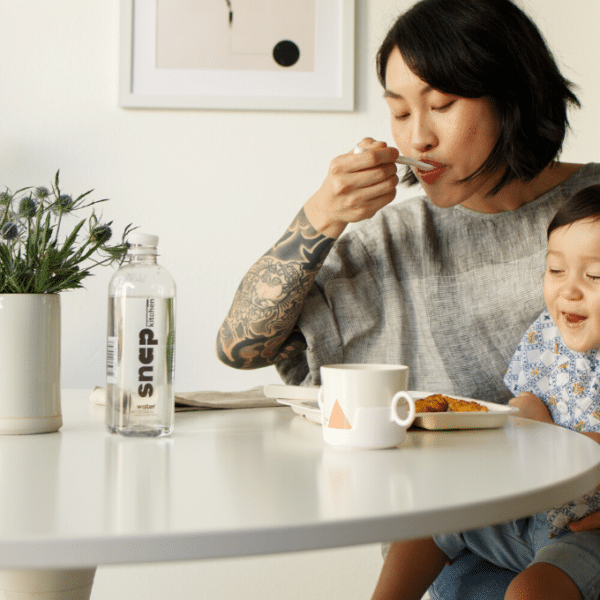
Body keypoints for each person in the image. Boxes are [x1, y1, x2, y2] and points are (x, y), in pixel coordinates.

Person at [216, 0, 600, 597]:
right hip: (465, 537)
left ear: (511, 95)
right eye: (399, 112)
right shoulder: (391, 241)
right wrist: (320, 217)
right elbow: (239, 346)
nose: (418, 136)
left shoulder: (594, 209)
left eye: (442, 105)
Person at [371, 186, 600, 600]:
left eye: (594, 276)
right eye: (555, 270)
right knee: (430, 514)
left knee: (531, 590)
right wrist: (514, 427)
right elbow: (530, 400)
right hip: (524, 512)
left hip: (587, 531)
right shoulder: (548, 334)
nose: (569, 290)